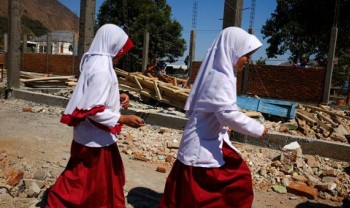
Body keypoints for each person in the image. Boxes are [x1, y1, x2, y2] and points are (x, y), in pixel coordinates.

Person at [159, 27, 268, 208]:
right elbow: (227, 114)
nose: (247, 60)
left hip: (205, 140)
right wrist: (259, 129)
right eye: (246, 54)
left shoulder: (218, 74)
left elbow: (218, 111)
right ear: (234, 51)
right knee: (234, 180)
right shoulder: (220, 78)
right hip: (202, 145)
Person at [45, 24, 144, 208]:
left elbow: (93, 96)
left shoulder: (97, 62)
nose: (121, 54)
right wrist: (123, 119)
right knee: (82, 183)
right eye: (120, 49)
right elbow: (92, 110)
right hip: (95, 142)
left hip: (89, 138)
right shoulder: (102, 70)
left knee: (90, 180)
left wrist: (118, 96)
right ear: (112, 45)